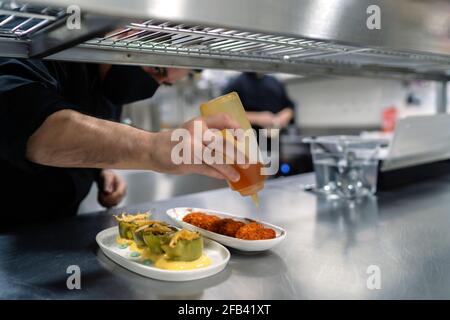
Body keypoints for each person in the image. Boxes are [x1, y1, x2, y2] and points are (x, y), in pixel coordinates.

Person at [0, 59, 242, 226]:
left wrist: (102, 170)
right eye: (156, 68)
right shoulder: (40, 47)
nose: (153, 86)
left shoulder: (111, 87)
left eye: (165, 83)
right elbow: (33, 128)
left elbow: (91, 138)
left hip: (56, 229)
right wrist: (153, 149)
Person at [222, 72, 295, 130]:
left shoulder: (275, 82)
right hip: (247, 139)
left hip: (273, 141)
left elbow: (289, 107)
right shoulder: (236, 83)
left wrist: (284, 116)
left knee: (271, 149)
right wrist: (257, 118)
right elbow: (225, 113)